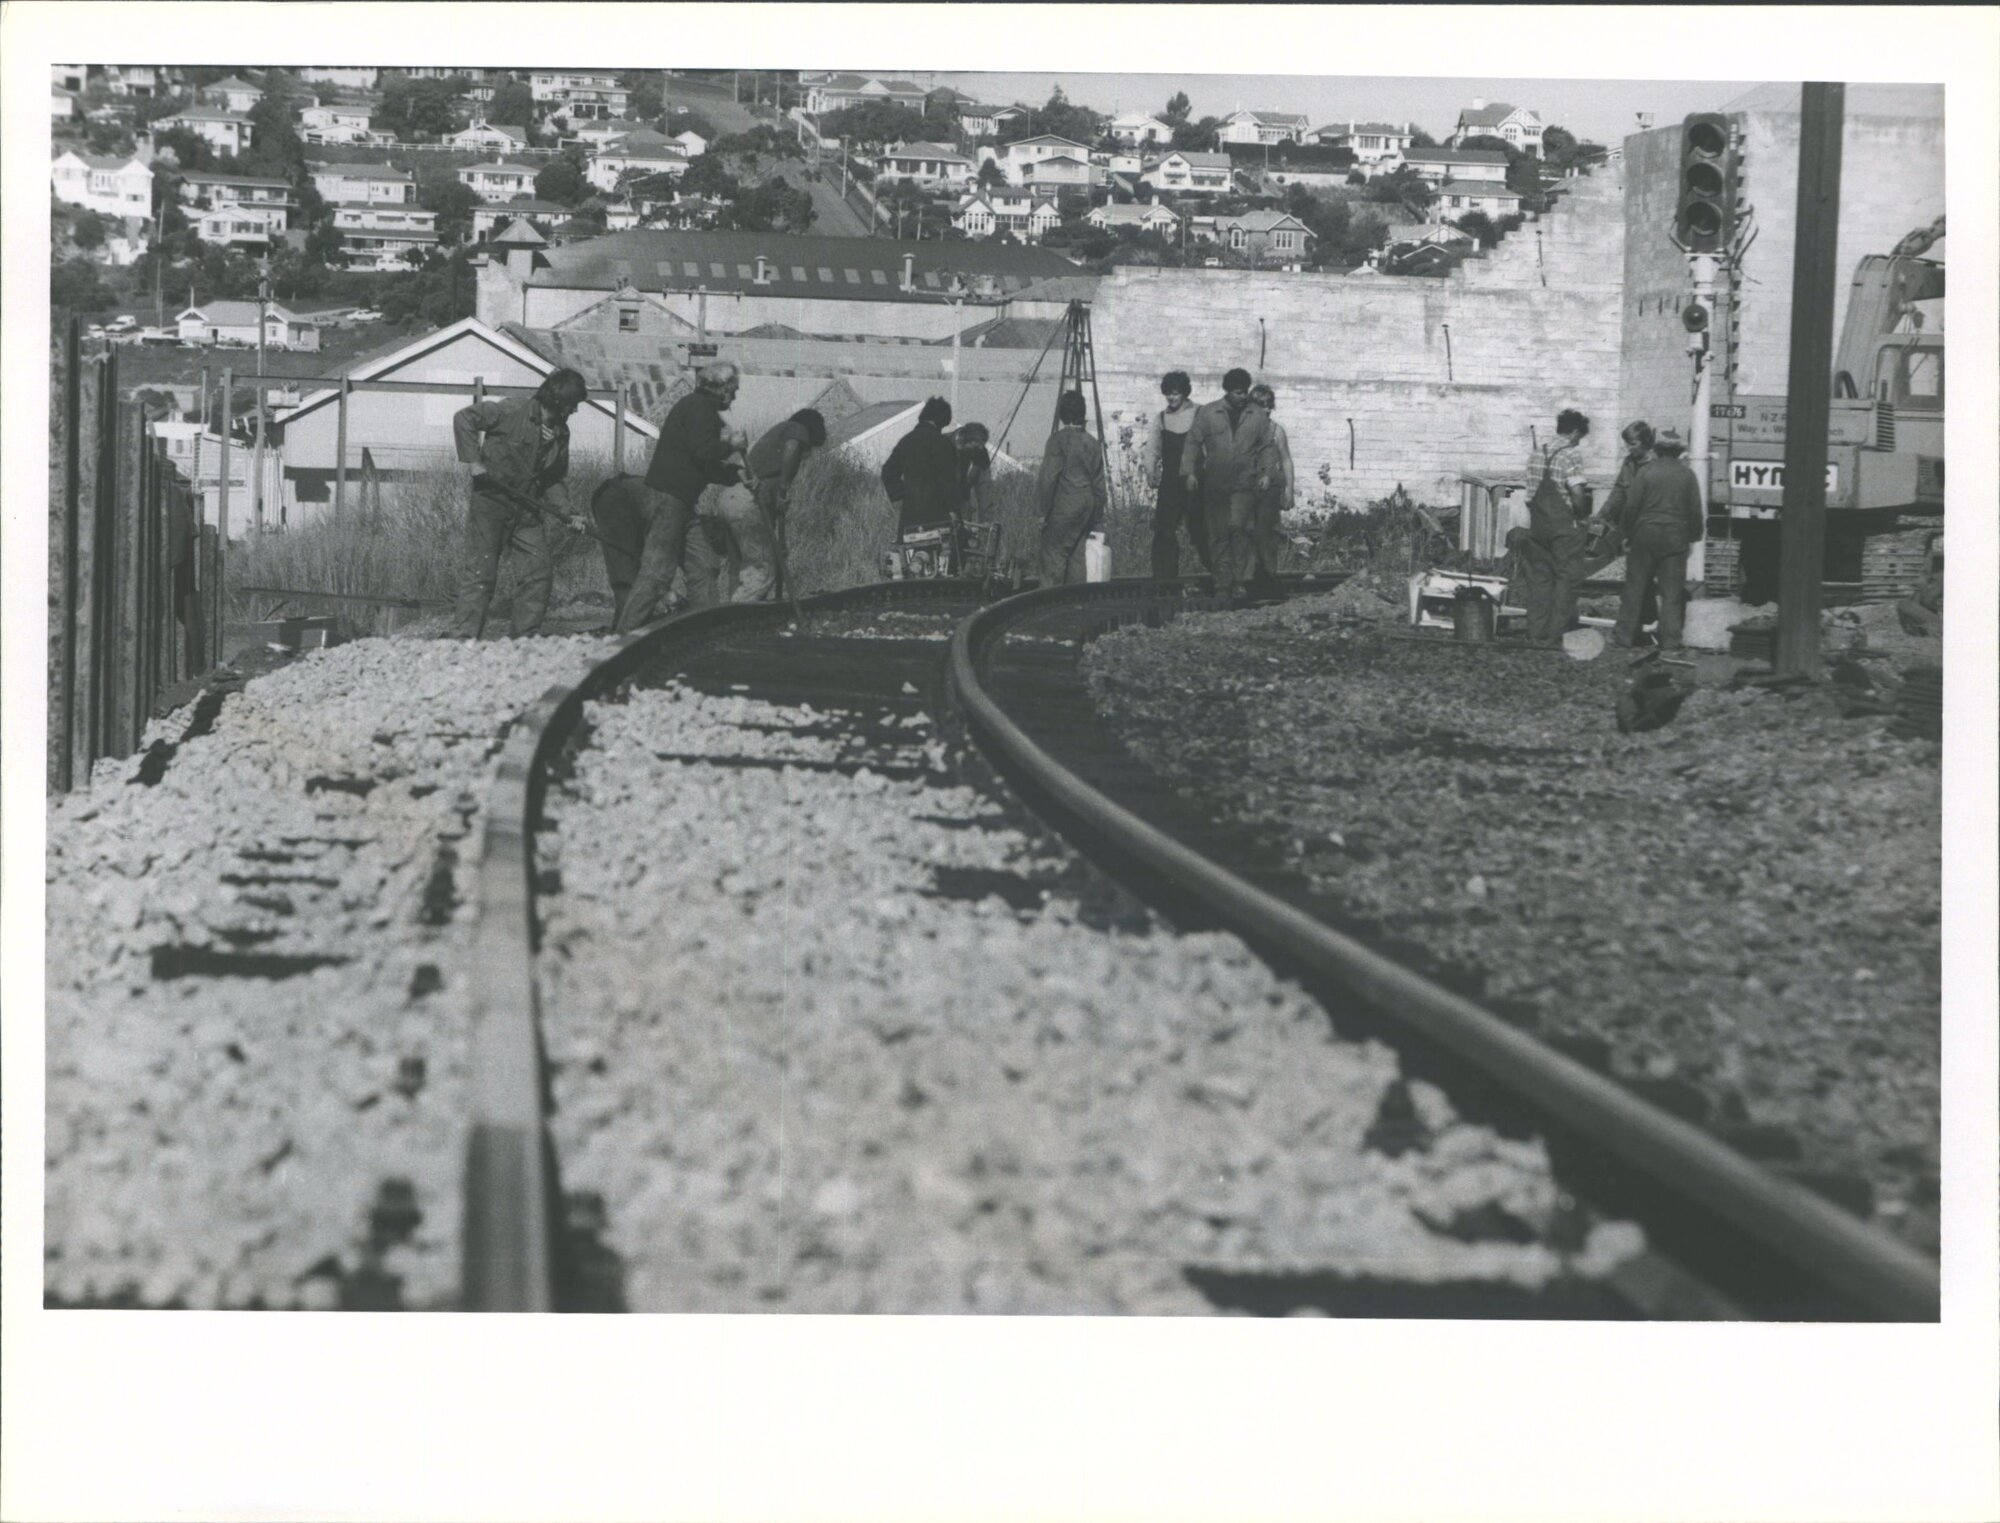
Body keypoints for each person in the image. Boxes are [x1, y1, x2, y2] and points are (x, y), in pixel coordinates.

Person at [450, 367, 588, 639]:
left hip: (527, 510)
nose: (575, 410)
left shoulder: (561, 434)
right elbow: (463, 418)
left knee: (539, 572)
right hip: (490, 505)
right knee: (481, 574)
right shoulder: (511, 411)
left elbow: (553, 479)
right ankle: (463, 641)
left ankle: (524, 640)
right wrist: (474, 462)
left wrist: (569, 513)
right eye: (573, 404)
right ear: (559, 401)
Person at [617, 361, 747, 631]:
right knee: (657, 574)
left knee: (704, 565)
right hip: (669, 500)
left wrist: (735, 475)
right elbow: (703, 451)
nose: (734, 396)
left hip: (682, 502)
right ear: (720, 387)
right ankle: (623, 637)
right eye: (733, 390)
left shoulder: (701, 409)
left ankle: (702, 630)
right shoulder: (699, 409)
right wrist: (731, 446)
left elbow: (703, 465)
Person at [1182, 367, 1278, 600]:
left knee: (1239, 529)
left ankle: (1240, 581)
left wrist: (1266, 473)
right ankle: (1222, 582)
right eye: (1238, 393)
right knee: (1218, 534)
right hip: (1215, 484)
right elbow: (1192, 442)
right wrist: (1189, 473)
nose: (1242, 397)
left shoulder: (1256, 416)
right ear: (1227, 391)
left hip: (1245, 483)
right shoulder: (1208, 413)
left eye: (1245, 392)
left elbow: (1267, 447)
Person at [718, 408, 827, 602]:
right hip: (748, 499)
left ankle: (731, 618)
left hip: (731, 497)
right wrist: (784, 489)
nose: (806, 455)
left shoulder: (777, 433)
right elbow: (792, 447)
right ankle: (738, 619)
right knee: (763, 571)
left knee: (740, 568)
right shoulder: (797, 428)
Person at [1611, 427, 1705, 650]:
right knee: (1671, 592)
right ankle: (1671, 641)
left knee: (1634, 588)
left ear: (1658, 449)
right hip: (1675, 537)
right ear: (1679, 451)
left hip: (1645, 534)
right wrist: (1693, 537)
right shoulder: (1687, 475)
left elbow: (1632, 506)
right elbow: (1695, 511)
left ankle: (1625, 637)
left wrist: (1626, 534)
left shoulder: (1646, 472)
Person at [1518, 407, 1592, 643]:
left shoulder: (1537, 453)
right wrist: (1582, 516)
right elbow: (1578, 494)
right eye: (1580, 437)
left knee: (1540, 579)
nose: (1579, 442)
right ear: (1574, 432)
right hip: (1563, 528)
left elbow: (1530, 495)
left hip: (1538, 527)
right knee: (1566, 579)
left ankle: (1535, 631)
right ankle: (1554, 634)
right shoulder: (1570, 454)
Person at [1586, 419, 1658, 631]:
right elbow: (1618, 492)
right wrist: (1602, 515)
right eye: (1627, 443)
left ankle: (1640, 623)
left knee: (1641, 577)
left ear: (1645, 442)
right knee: (1637, 577)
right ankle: (1644, 620)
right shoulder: (1628, 463)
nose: (1629, 448)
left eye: (1633, 443)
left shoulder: (1655, 464)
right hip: (1631, 527)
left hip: (1650, 527)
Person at [881, 397, 961, 576]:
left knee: (908, 570)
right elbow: (949, 482)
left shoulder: (906, 441)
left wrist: (902, 493)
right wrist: (954, 510)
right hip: (939, 516)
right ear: (942, 420)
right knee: (942, 570)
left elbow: (888, 471)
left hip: (910, 516)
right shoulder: (943, 444)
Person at [1036, 390, 1109, 585]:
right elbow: (1100, 485)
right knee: (1077, 556)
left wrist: (1042, 511)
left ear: (1061, 414)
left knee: (1054, 555)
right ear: (1082, 415)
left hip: (1065, 506)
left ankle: (1050, 604)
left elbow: (1048, 479)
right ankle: (1076, 604)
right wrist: (1098, 516)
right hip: (1087, 506)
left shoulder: (1057, 441)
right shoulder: (1092, 443)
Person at [1144, 370, 1207, 580]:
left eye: (1176, 393)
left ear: (1184, 393)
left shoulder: (1199, 413)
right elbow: (1153, 449)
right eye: (1168, 393)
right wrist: (1151, 471)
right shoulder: (1161, 418)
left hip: (1195, 483)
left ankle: (1223, 578)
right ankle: (1164, 579)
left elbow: (1210, 448)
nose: (1171, 398)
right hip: (1170, 483)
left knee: (1201, 532)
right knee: (1163, 531)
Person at [1248, 382, 1295, 596]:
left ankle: (1268, 580)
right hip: (1247, 488)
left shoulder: (1277, 431)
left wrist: (1289, 490)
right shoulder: (1244, 430)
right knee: (1246, 533)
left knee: (1266, 534)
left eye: (1269, 405)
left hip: (1271, 490)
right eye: (1261, 405)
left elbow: (1286, 461)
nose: (1266, 410)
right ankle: (1249, 580)